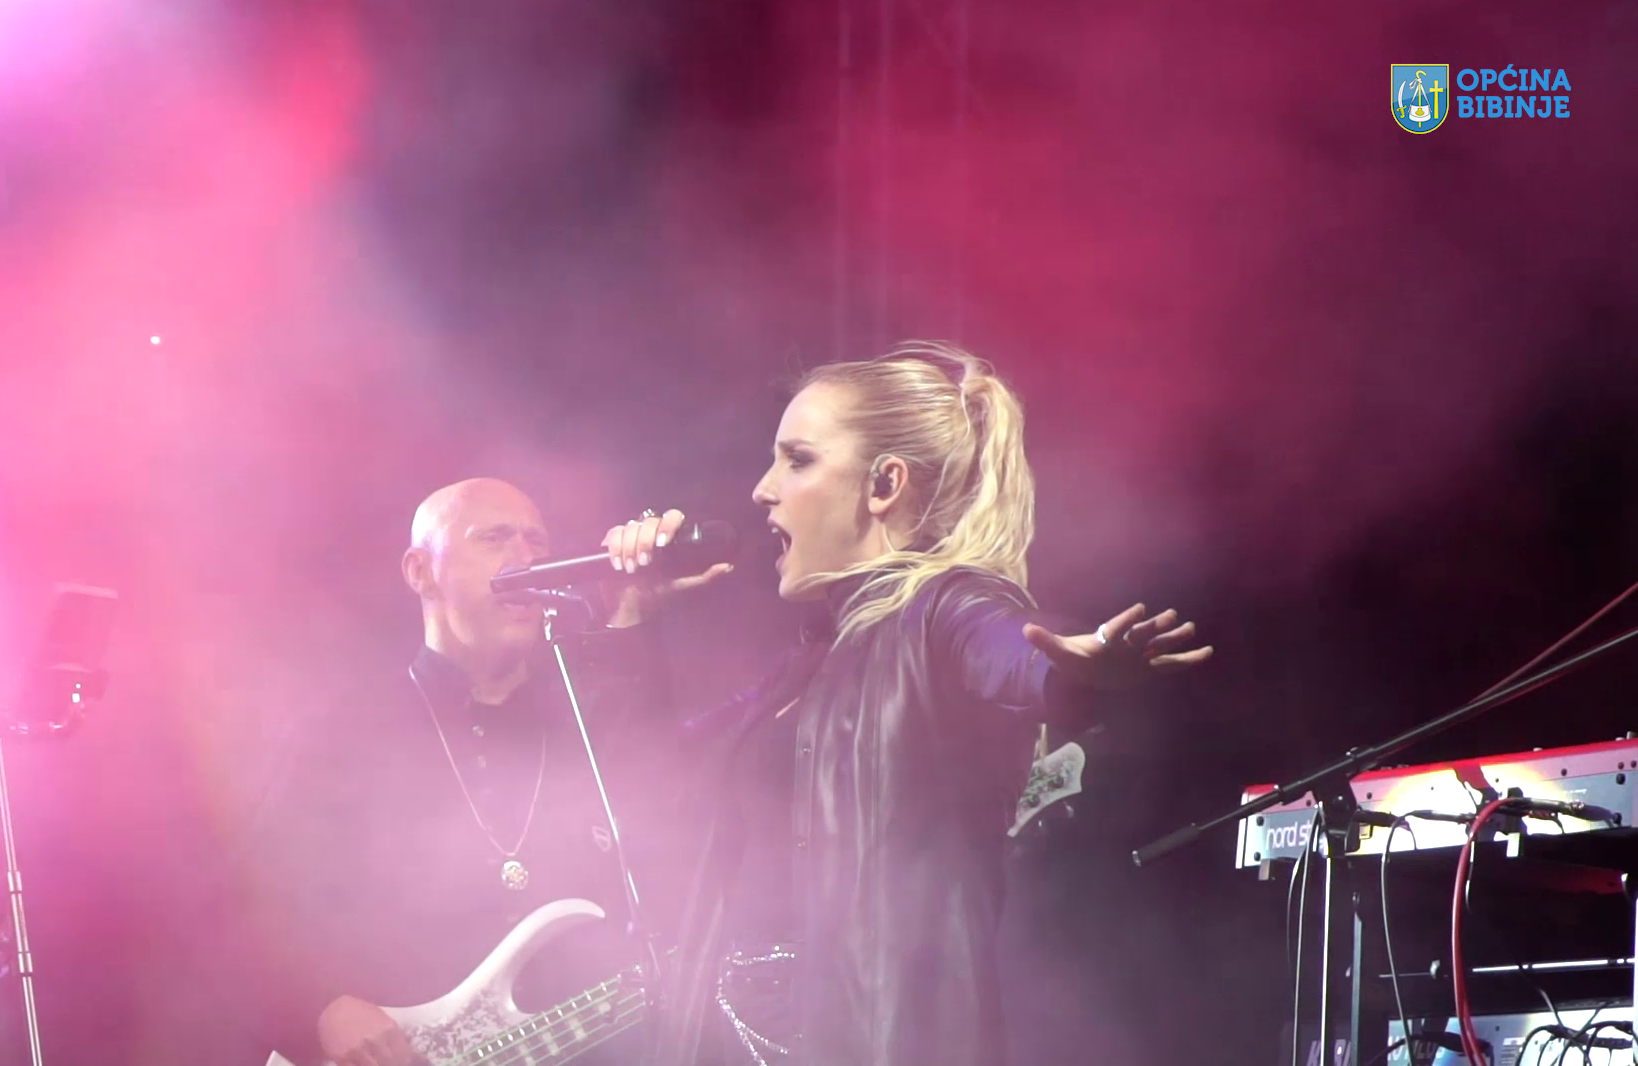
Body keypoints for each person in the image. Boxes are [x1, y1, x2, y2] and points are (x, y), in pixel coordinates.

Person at [605, 342, 1213, 1066]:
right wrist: (633, 617)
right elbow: (645, 780)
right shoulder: (808, 667)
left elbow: (1011, 652)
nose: (763, 490)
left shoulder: (945, 607)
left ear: (884, 484)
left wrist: (1074, 673)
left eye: (797, 460)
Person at [248, 478, 727, 1066]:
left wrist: (633, 617)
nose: (524, 559)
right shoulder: (347, 731)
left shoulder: (583, 716)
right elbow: (247, 904)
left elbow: (674, 826)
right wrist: (322, 1006)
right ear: (421, 572)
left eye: (536, 542)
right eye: (494, 538)